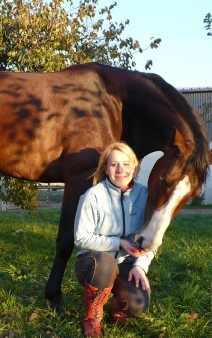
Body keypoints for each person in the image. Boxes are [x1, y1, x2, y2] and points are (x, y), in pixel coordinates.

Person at [73, 142, 154, 338]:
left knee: (138, 303)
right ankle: (92, 319)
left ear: (135, 166)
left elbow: (151, 238)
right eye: (114, 164)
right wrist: (118, 243)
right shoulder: (93, 195)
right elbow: (81, 238)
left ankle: (116, 304)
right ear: (105, 168)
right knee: (105, 262)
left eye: (126, 164)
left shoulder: (145, 195)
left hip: (126, 262)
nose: (120, 170)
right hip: (93, 262)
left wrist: (141, 266)